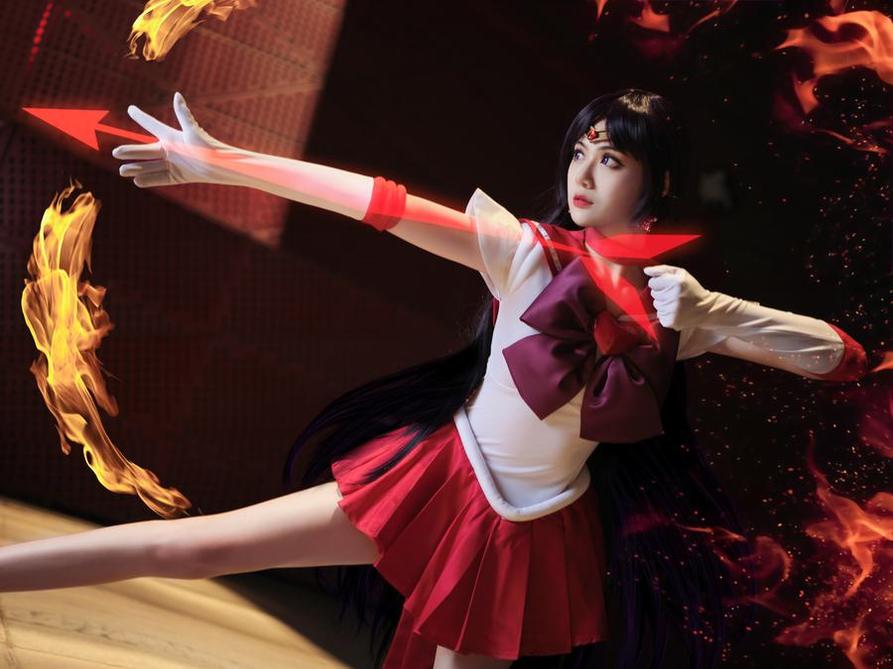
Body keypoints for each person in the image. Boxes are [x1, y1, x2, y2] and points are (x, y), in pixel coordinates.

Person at [1, 89, 869, 669]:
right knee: (193, 546)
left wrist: (723, 313)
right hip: (437, 482)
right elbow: (379, 202)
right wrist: (225, 162)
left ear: (657, 183)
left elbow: (832, 354)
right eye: (580, 150)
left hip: (531, 530)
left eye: (610, 159)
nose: (581, 171)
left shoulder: (677, 304)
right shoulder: (526, 251)